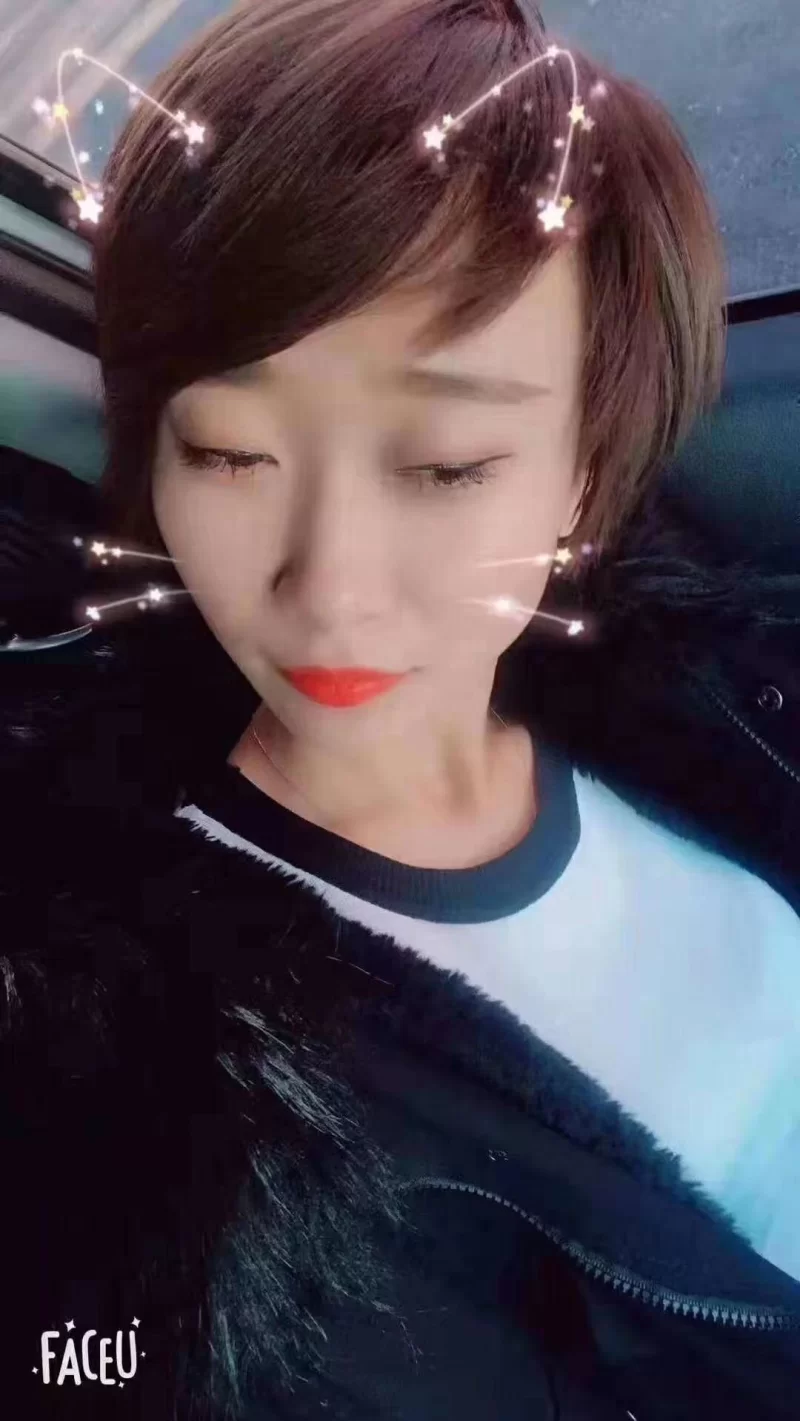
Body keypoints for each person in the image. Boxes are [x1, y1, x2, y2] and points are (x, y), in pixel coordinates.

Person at [1, 1, 799, 1417]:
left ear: (581, 471)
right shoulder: (149, 1080)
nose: (330, 591)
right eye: (229, 453)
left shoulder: (730, 695)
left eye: (442, 467)